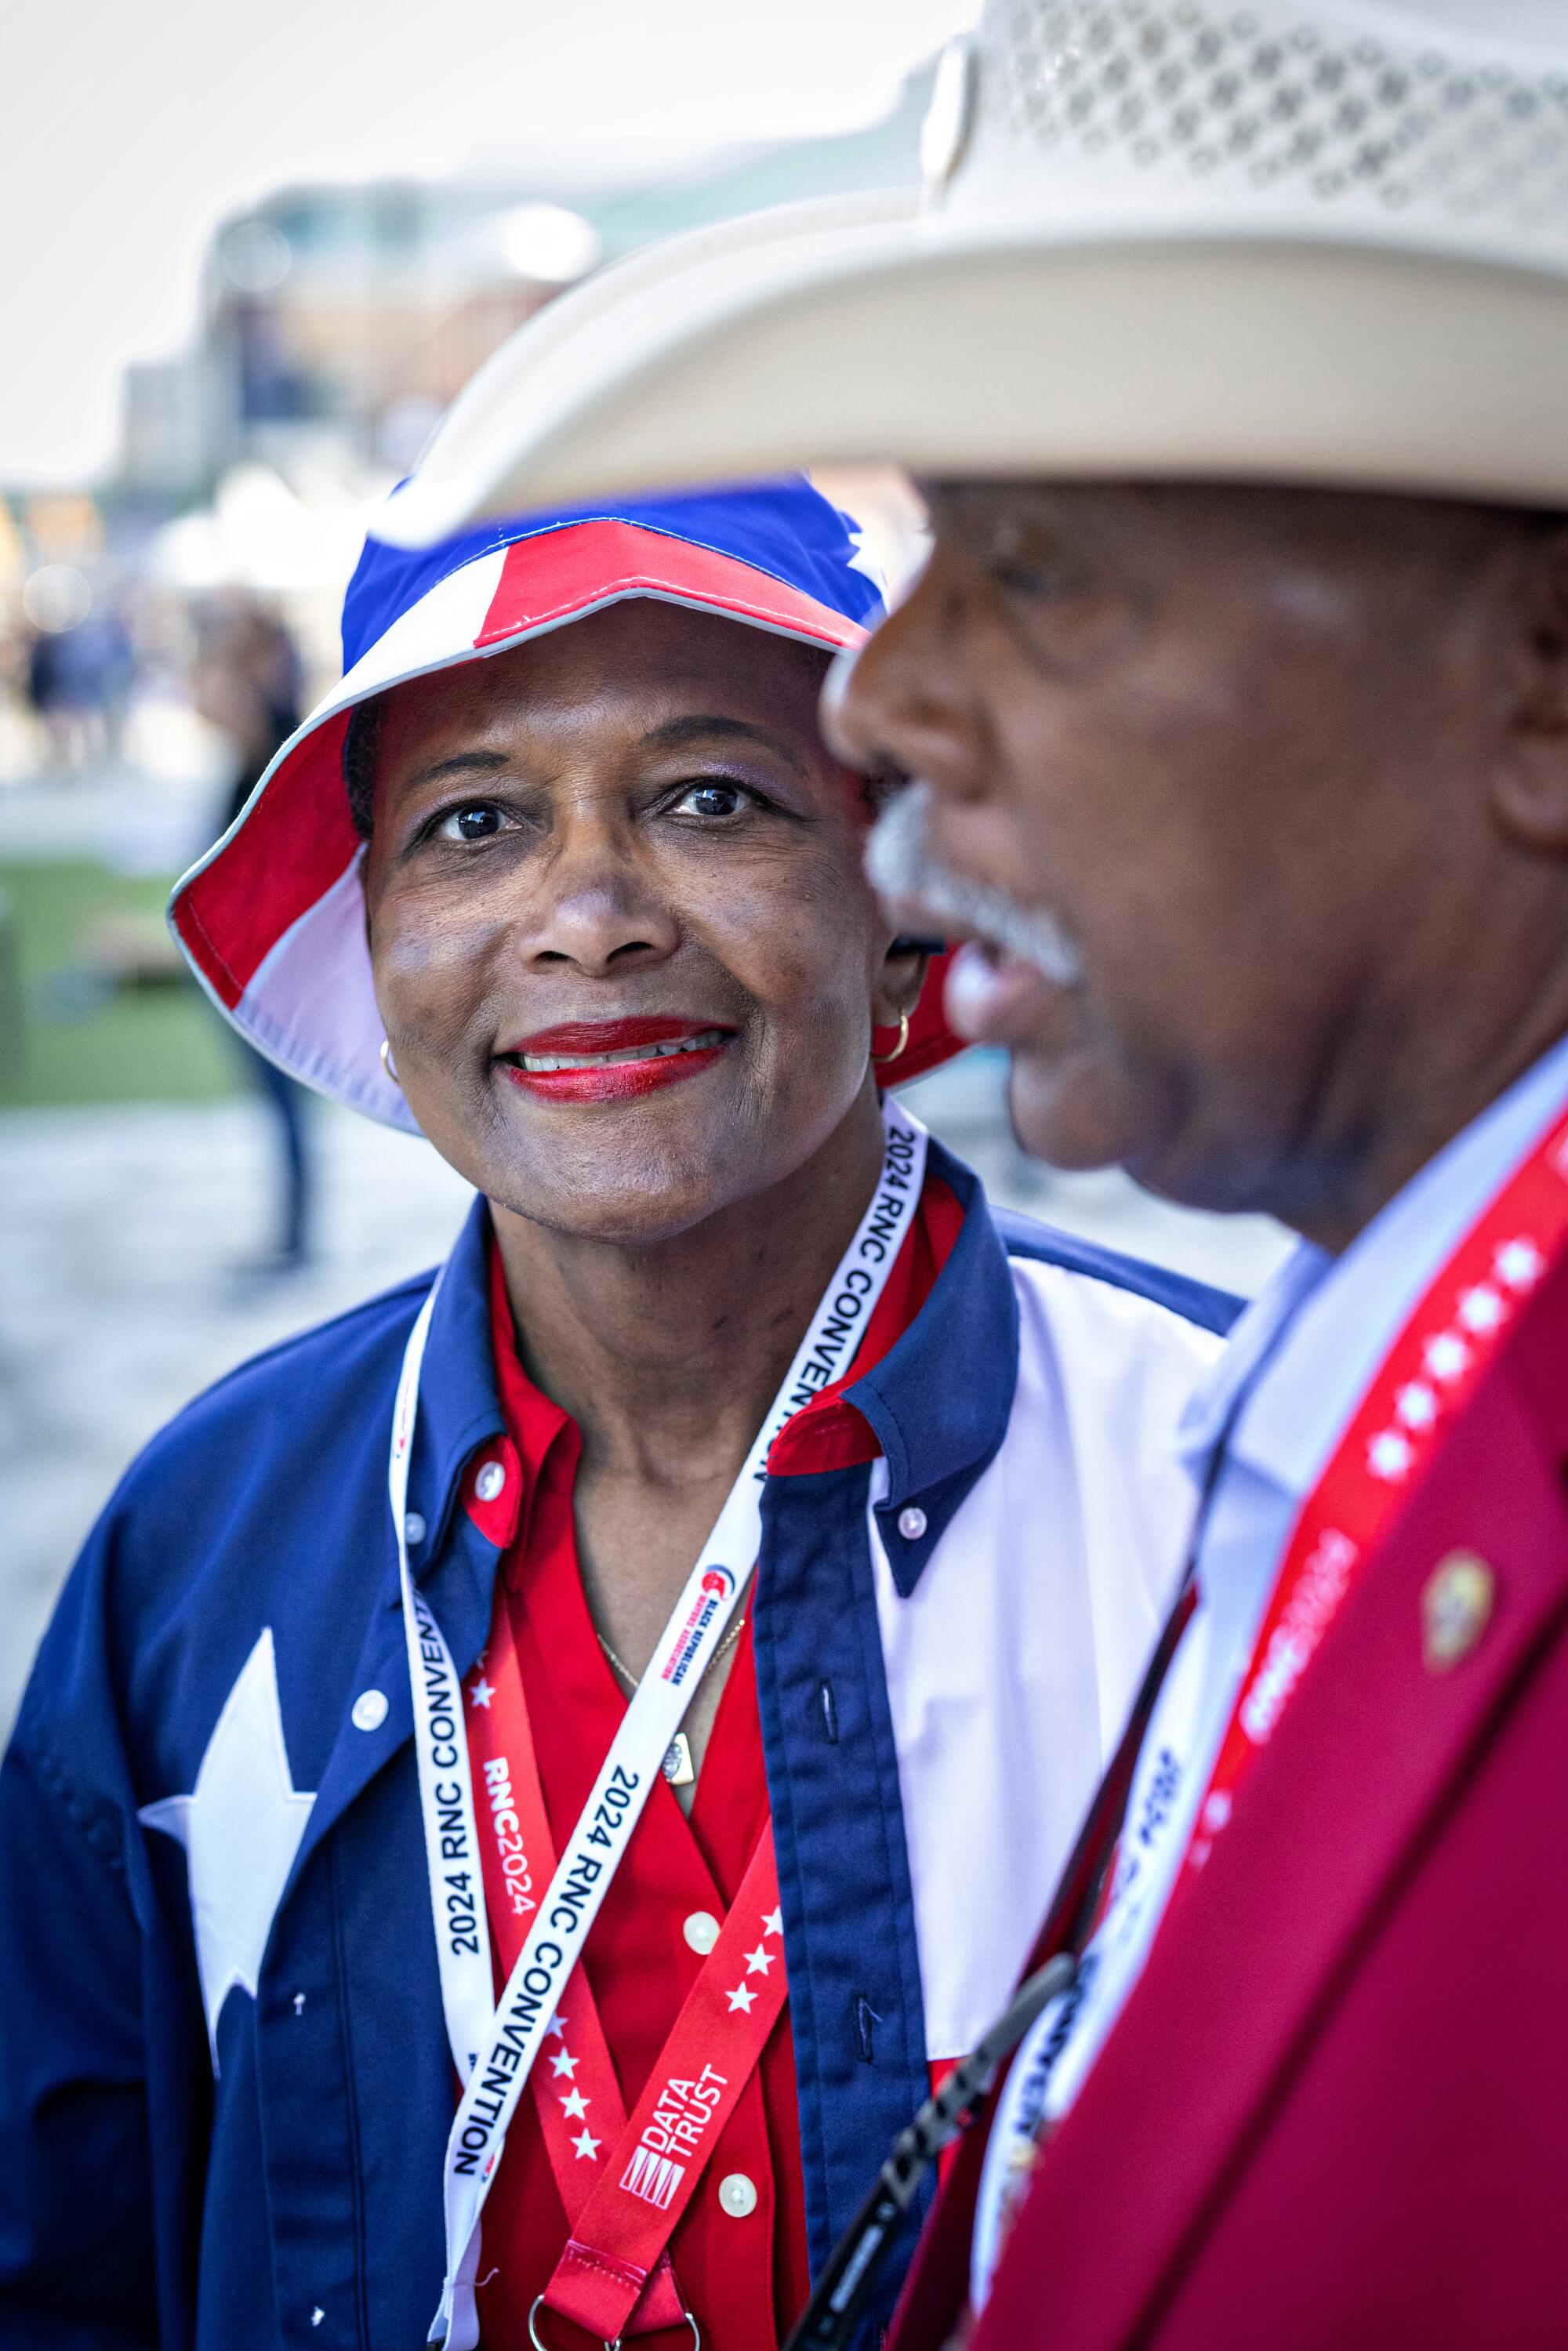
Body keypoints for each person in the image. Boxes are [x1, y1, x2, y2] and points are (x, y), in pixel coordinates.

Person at [354, 1, 1568, 2342]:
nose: (881, 706)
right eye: (472, 821)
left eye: (1032, 572)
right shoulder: (1345, 1396)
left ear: (1536, 678)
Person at [0, 479, 1234, 2351]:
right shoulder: (201, 1547)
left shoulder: (1242, 1483)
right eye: (474, 822)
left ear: (903, 903)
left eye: (709, 798)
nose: (586, 917)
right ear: (375, 929)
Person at [191, 593, 312, 1268]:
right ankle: (291, 1231)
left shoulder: (273, 747)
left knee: (283, 1102)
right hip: (246, 947)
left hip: (263, 955)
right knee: (277, 1105)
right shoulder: (253, 754)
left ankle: (294, 1236)